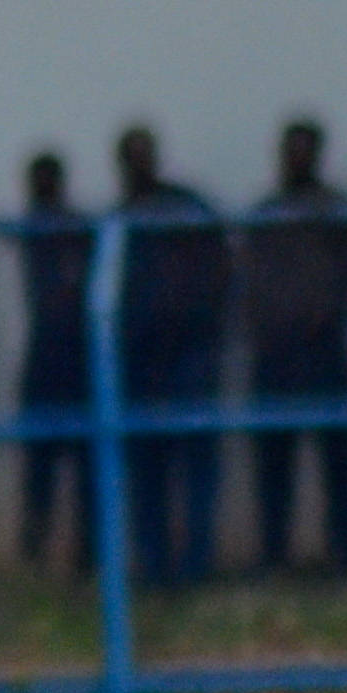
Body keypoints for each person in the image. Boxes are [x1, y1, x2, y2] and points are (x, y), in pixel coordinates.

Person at [241, 118, 347, 573]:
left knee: (336, 458)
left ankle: (344, 550)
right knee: (274, 460)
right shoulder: (265, 213)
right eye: (288, 149)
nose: (295, 158)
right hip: (276, 355)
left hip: (324, 351)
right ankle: (274, 552)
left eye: (304, 149)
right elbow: (249, 280)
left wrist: (329, 317)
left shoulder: (337, 212)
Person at [113, 125, 227, 587]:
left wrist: (208, 326)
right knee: (147, 468)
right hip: (141, 358)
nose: (138, 165)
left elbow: (220, 268)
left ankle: (197, 565)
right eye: (129, 157)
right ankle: (154, 565)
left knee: (197, 463)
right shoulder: (120, 220)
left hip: (189, 352)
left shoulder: (185, 208)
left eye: (144, 155)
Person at [15, 149, 93, 570]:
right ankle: (35, 548)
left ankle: (88, 552)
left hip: (76, 355)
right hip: (44, 353)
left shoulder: (75, 230)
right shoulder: (30, 228)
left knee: (86, 461)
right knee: (39, 462)